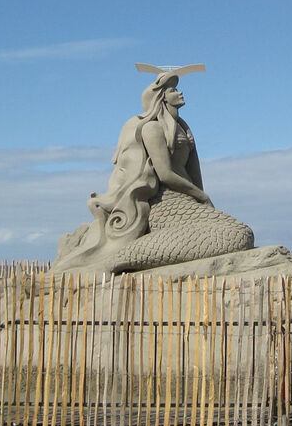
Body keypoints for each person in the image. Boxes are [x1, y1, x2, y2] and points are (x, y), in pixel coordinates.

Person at [63, 71, 253, 275]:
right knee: (237, 235)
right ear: (161, 97)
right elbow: (165, 174)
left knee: (237, 233)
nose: (179, 93)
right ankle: (116, 260)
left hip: (186, 201)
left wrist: (200, 198)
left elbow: (194, 172)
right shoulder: (152, 128)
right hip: (166, 203)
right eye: (173, 90)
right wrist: (201, 195)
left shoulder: (182, 128)